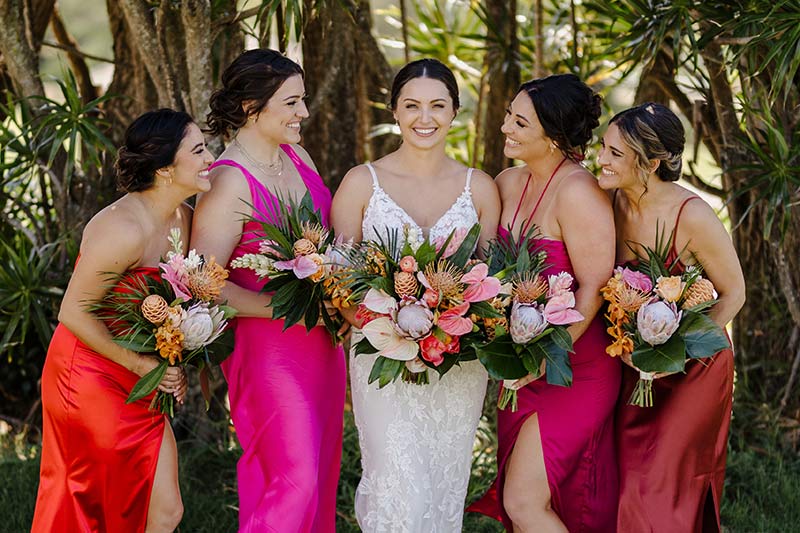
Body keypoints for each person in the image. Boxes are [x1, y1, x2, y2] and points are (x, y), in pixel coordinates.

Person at [331, 58, 501, 532]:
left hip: (458, 362)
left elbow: (490, 285)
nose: (424, 118)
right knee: (396, 482)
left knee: (444, 484)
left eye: (437, 106)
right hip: (380, 355)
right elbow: (338, 279)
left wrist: (446, 329)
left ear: (454, 112)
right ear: (394, 111)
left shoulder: (480, 188)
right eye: (412, 106)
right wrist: (390, 332)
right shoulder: (361, 183)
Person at [31, 109, 212, 532]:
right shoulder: (122, 228)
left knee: (166, 510)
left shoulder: (183, 218)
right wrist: (141, 367)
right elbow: (73, 311)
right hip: (88, 372)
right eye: (199, 150)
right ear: (166, 168)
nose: (210, 159)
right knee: (90, 502)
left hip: (140, 370)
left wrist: (170, 359)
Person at [190, 49, 345, 532]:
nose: (304, 112)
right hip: (267, 350)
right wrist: (289, 312)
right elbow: (203, 284)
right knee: (293, 476)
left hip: (322, 344)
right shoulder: (227, 182)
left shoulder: (298, 156)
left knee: (319, 475)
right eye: (292, 102)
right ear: (252, 108)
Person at [469, 74, 620, 532]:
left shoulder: (578, 191)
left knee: (523, 500)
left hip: (574, 366)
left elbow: (594, 286)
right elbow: (485, 264)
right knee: (532, 500)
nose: (504, 128)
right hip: (520, 362)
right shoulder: (507, 181)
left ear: (553, 136)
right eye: (509, 116)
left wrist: (545, 358)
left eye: (519, 122)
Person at [597, 102, 745, 532]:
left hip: (695, 368)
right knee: (628, 477)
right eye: (603, 148)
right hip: (633, 363)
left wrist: (674, 351)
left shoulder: (692, 215)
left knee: (660, 479)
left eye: (615, 154)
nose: (601, 160)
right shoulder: (608, 201)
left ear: (653, 162)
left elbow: (734, 293)